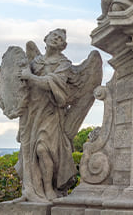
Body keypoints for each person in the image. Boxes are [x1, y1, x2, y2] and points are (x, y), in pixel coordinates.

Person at [16, 29, 78, 201]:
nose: (56, 39)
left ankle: (49, 189)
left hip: (50, 112)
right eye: (54, 35)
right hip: (31, 112)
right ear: (46, 38)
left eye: (60, 39)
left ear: (63, 46)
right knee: (29, 154)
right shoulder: (35, 61)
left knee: (43, 150)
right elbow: (21, 85)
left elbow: (52, 84)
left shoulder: (64, 64)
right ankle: (31, 190)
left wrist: (30, 77)